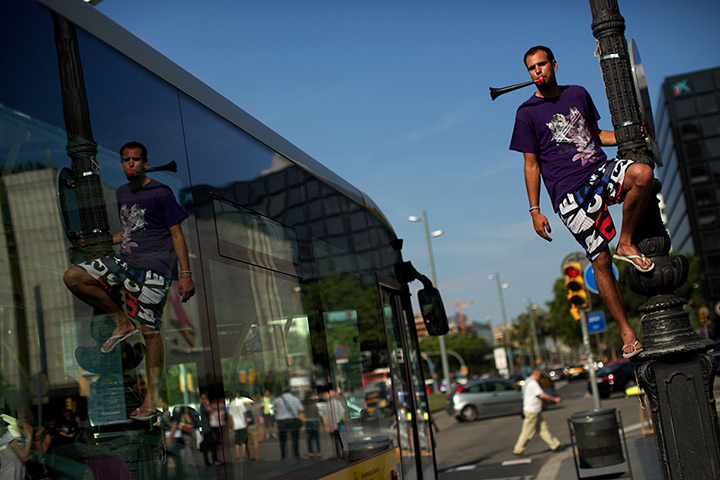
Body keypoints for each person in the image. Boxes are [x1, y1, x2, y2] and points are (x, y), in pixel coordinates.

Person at [510, 45, 655, 359]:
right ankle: (627, 332)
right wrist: (534, 210)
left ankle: (626, 243)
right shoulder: (526, 114)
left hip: (599, 170)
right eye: (531, 68)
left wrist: (628, 136)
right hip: (567, 193)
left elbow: (593, 134)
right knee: (600, 259)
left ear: (554, 65)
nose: (537, 72)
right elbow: (531, 165)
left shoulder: (577, 94)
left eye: (542, 65)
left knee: (642, 174)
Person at [63, 141, 196, 418]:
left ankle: (152, 398)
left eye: (136, 159)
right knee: (74, 276)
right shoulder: (123, 192)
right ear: (122, 164)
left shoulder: (161, 192)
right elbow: (130, 232)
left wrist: (185, 274)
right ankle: (122, 322)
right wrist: (98, 241)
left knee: (150, 333)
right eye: (126, 160)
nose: (131, 164)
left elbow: (177, 235)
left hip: (155, 269)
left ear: (145, 162)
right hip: (126, 262)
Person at [512, 369, 562, 456]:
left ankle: (554, 445)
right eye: (539, 376)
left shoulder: (527, 381)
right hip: (532, 410)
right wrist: (554, 399)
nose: (539, 378)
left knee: (543, 428)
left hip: (533, 409)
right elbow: (541, 394)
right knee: (527, 431)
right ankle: (518, 449)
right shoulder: (533, 383)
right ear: (537, 374)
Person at [0, 410, 34, 480]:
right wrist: (28, 438)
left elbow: (24, 456)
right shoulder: (11, 436)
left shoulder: (16, 436)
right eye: (20, 419)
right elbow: (24, 457)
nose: (22, 421)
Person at [273, 387, 305, 461]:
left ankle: (283, 455)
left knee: (282, 439)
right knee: (295, 438)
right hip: (293, 419)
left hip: (281, 420)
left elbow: (273, 408)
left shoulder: (277, 400)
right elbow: (301, 409)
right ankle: (296, 454)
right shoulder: (295, 399)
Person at [199, 394, 221, 466]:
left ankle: (207, 461)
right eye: (204, 398)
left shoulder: (202, 407)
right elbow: (210, 412)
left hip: (206, 428)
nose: (205, 399)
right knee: (212, 444)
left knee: (207, 444)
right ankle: (214, 460)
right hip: (206, 428)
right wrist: (208, 404)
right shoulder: (202, 407)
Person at [227, 392, 248, 463]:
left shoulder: (231, 404)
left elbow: (230, 416)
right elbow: (244, 413)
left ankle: (238, 456)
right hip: (242, 425)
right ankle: (244, 456)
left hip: (235, 426)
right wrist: (246, 422)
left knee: (237, 442)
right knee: (243, 441)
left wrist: (232, 424)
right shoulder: (240, 403)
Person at [245, 395, 264, 461]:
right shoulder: (255, 407)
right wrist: (259, 425)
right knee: (256, 442)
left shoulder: (243, 408)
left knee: (247, 442)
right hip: (254, 426)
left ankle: (248, 456)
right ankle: (256, 457)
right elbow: (257, 417)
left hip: (246, 427)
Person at [303, 392, 321, 458]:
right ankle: (318, 452)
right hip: (315, 421)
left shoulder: (304, 405)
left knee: (309, 438)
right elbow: (317, 413)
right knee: (316, 438)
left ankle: (310, 452)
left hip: (308, 422)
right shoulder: (313, 404)